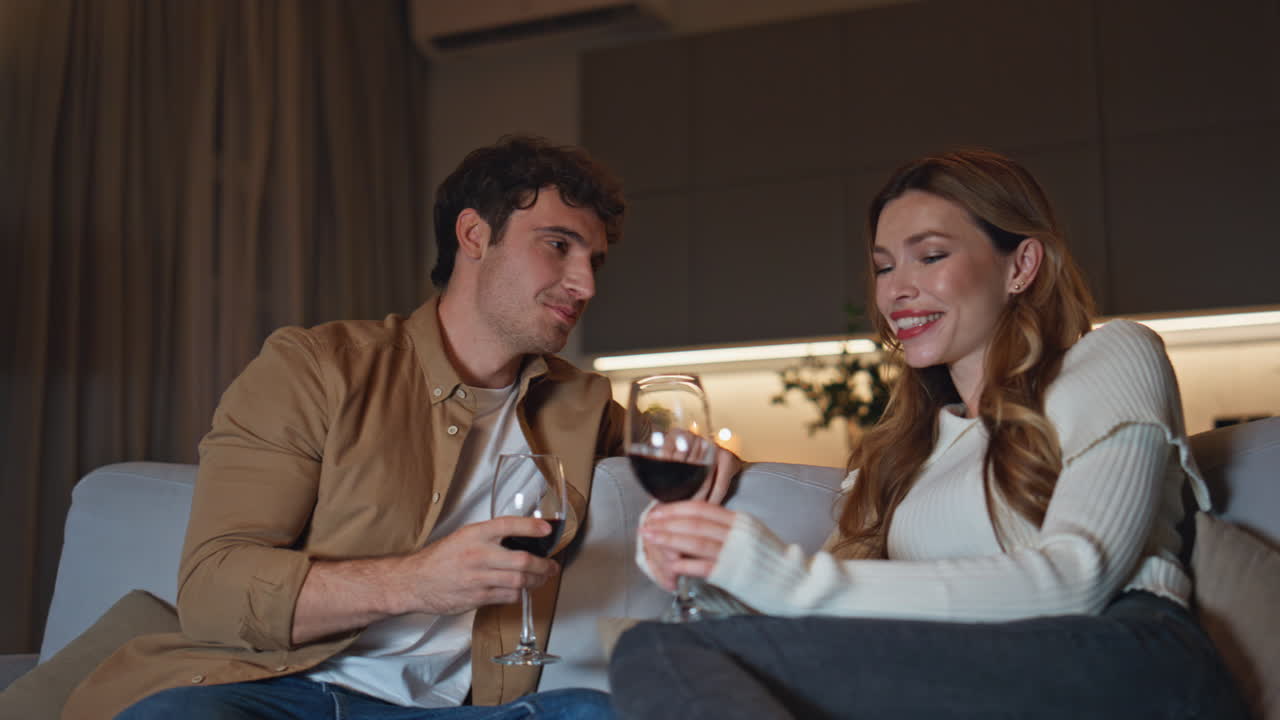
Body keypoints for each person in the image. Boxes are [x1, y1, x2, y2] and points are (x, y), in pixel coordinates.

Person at [63, 135, 737, 720]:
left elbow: (668, 455)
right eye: (558, 246)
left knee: (601, 712)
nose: (585, 283)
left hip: (455, 713)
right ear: (474, 236)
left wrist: (710, 461)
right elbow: (214, 591)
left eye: (595, 259)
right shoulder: (316, 369)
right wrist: (416, 582)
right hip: (277, 695)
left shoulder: (581, 402)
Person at [608, 148, 1249, 719]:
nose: (898, 291)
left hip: (1128, 664)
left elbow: (1081, 579)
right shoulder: (899, 452)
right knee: (647, 666)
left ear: (1021, 264)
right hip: (977, 668)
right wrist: (705, 572)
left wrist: (784, 576)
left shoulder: (1111, 359)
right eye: (885, 267)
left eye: (932, 256)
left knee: (656, 656)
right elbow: (817, 617)